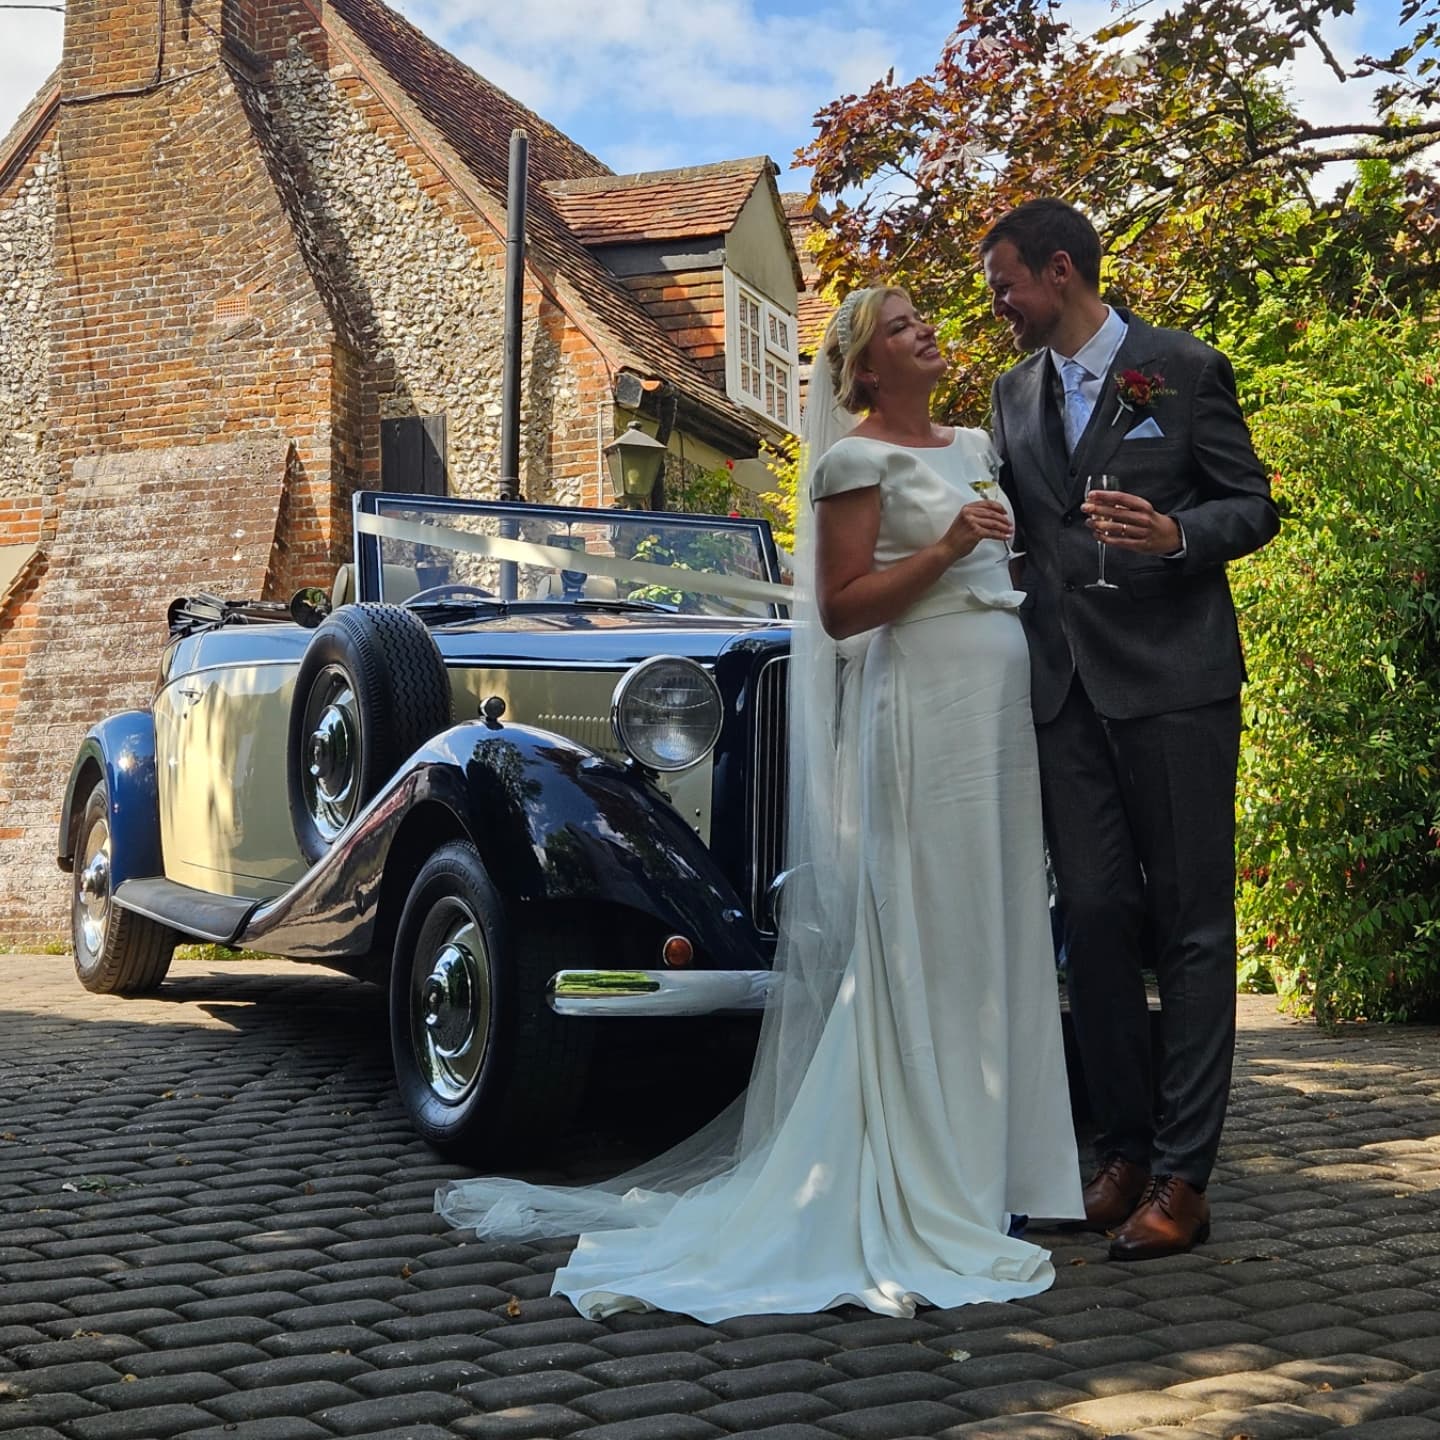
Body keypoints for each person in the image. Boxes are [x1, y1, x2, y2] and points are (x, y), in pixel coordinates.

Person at [434, 284, 1084, 1321]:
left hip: (996, 709)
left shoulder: (974, 443)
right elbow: (840, 607)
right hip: (919, 702)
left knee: (995, 923)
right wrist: (951, 548)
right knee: (928, 925)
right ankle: (931, 1178)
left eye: (925, 320)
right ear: (865, 370)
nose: (928, 331)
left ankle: (1010, 1171)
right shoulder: (853, 460)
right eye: (904, 326)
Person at [980, 199, 1280, 1261]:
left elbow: (1252, 505)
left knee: (1193, 928)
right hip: (1062, 691)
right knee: (1097, 918)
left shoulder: (1183, 369)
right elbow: (1020, 527)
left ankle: (1184, 1180)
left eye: (1007, 284)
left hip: (1178, 683)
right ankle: (1122, 1151)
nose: (998, 305)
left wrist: (1176, 532)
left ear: (1061, 272)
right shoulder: (1009, 396)